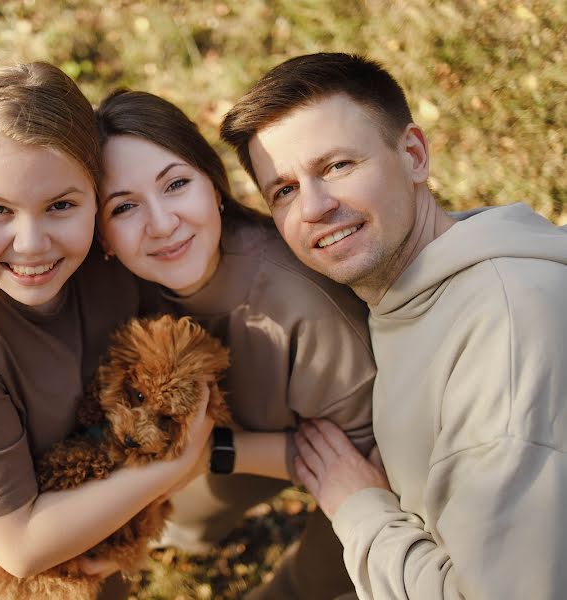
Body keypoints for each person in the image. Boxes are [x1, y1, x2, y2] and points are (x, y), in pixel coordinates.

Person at [220, 52, 567, 599]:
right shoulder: (410, 289)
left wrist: (359, 507)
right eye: (283, 190)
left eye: (337, 166)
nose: (313, 207)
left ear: (413, 155)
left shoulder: (507, 334)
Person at [0, 62, 215, 597]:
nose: (31, 243)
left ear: (97, 196)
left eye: (61, 206)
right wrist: (172, 468)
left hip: (99, 498)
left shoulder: (111, 255)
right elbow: (19, 548)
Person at [94, 89, 376, 599]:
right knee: (183, 518)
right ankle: (190, 534)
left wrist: (214, 452)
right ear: (101, 237)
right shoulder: (102, 275)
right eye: (124, 207)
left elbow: (363, 462)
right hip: (231, 440)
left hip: (350, 464)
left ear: (214, 184)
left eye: (176, 184)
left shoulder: (306, 308)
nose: (162, 224)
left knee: (308, 586)